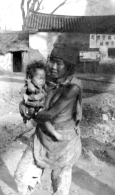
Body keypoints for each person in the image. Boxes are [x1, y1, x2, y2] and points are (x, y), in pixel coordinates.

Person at [14, 46, 83, 195]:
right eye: (52, 61)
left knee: (59, 183)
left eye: (59, 63)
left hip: (64, 141)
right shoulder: (46, 79)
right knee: (22, 175)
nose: (53, 66)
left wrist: (31, 112)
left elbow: (49, 114)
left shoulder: (73, 87)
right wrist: (23, 105)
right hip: (42, 136)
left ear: (69, 66)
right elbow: (31, 93)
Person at [21, 62, 70, 141]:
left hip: (39, 106)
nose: (42, 81)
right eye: (40, 78)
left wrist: (61, 84)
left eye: (44, 78)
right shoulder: (30, 86)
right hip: (32, 109)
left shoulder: (39, 84)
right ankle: (56, 135)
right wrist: (28, 81)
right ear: (30, 77)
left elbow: (50, 84)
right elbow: (31, 90)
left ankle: (43, 133)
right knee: (44, 120)